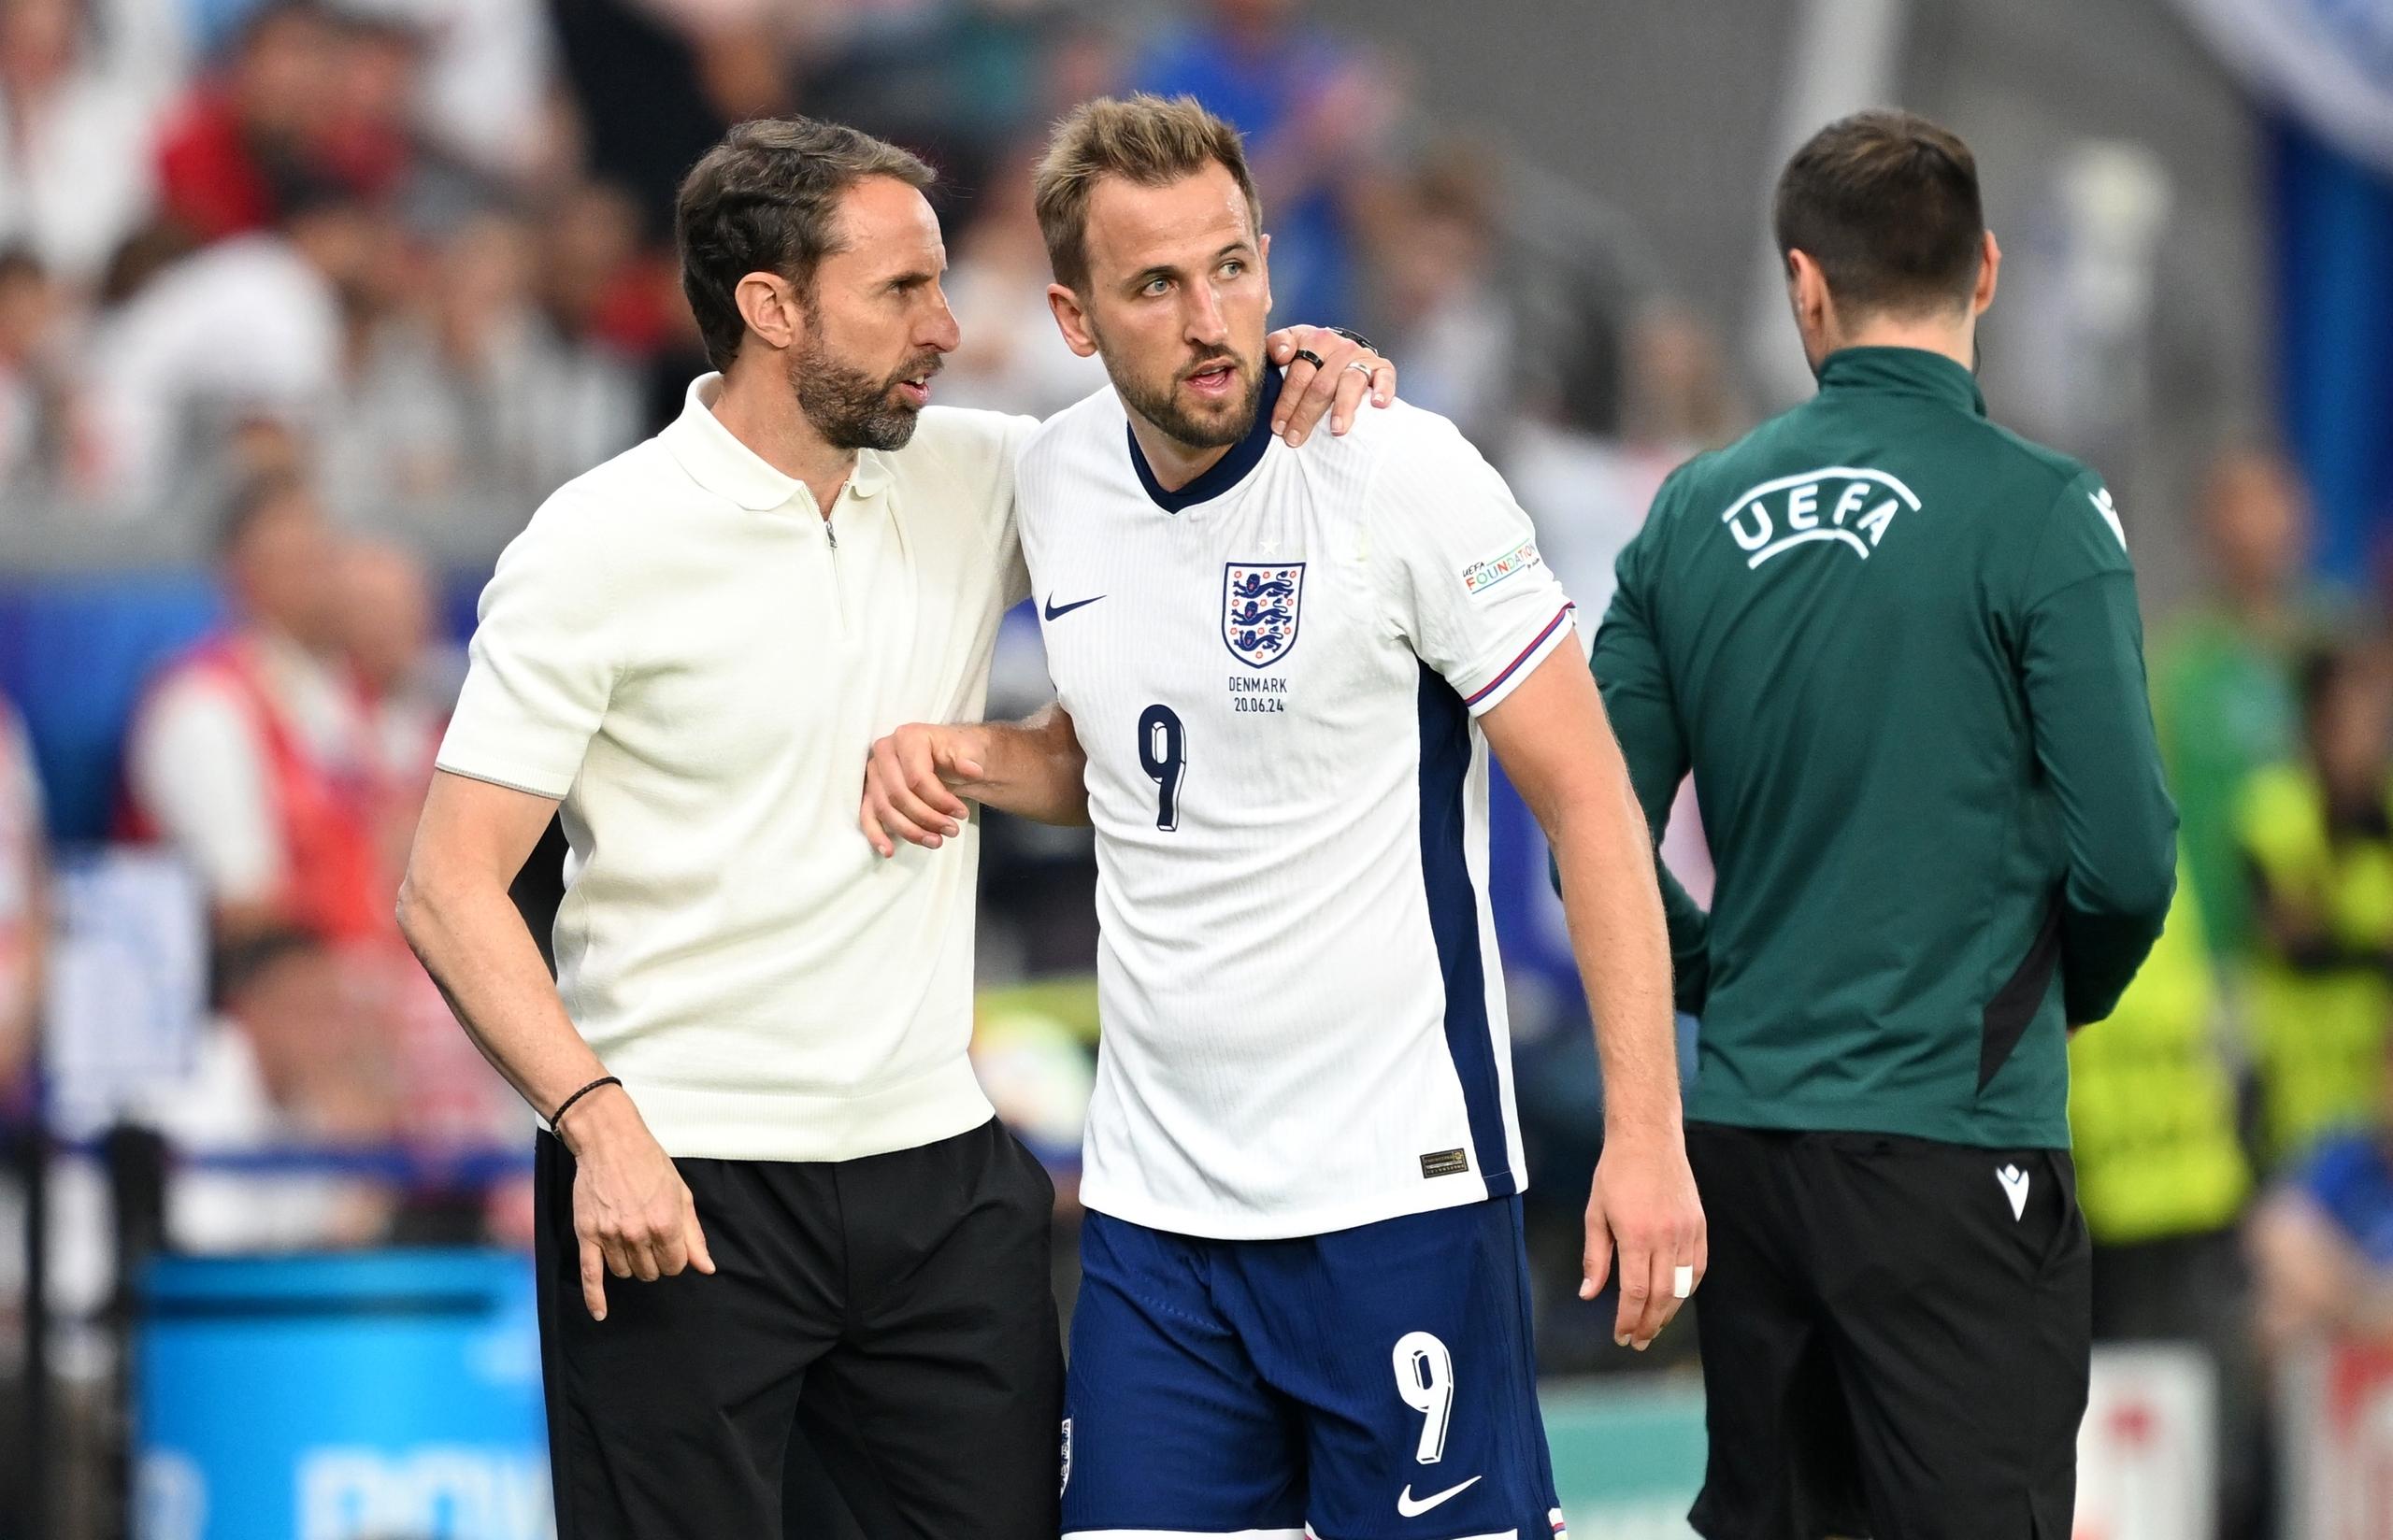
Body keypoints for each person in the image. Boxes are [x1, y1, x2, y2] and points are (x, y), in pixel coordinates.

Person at [395, 112, 1394, 1538]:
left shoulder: (989, 470)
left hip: (944, 1182)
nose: (947, 328)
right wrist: (595, 1123)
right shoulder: (594, 543)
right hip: (679, 1179)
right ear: (770, 307)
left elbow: (1201, 438)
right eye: (903, 292)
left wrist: (1313, 362)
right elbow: (448, 888)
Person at [858, 94, 1702, 1540]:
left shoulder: (1398, 471)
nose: (1211, 318)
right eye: (1156, 285)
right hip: (1157, 1223)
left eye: (1234, 267)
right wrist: (978, 757)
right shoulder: (1053, 484)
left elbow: (1592, 804)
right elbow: (1140, 758)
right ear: (1073, 318)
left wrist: (1647, 1131)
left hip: (1401, 1200)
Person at [1592, 110, 2177, 1536]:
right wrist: (2044, 1010)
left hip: (1746, 1145)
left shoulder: (1690, 513)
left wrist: (1708, 968)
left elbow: (1588, 813)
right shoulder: (2044, 514)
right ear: (1985, 270)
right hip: (1950, 1143)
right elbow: (2129, 858)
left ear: (1806, 283)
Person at [122, 470, 384, 947]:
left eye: (327, 555)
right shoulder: (202, 706)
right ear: (244, 576)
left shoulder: (342, 697)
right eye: (303, 562)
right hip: (259, 1005)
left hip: (362, 987)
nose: (329, 580)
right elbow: (244, 915)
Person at [2151, 449, 2327, 965]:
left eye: (2270, 503)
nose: (2255, 528)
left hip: (2339, 957)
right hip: (2224, 952)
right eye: (2235, 507)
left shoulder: (2337, 654)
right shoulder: (2180, 670)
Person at [2237, 641, 2393, 1168]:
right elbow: (2296, 938)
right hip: (2297, 1097)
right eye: (2351, 722)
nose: (2367, 741)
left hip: (2376, 1101)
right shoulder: (2273, 806)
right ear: (2315, 722)